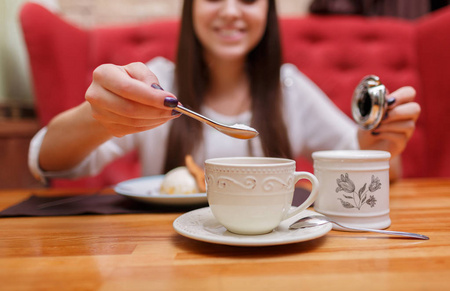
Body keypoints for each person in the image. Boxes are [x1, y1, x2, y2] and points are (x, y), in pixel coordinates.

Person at [29, 0, 420, 185]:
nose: (231, 11)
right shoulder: (158, 84)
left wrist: (379, 141)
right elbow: (49, 161)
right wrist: (99, 116)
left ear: (267, 12)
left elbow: (379, 167)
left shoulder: (289, 88)